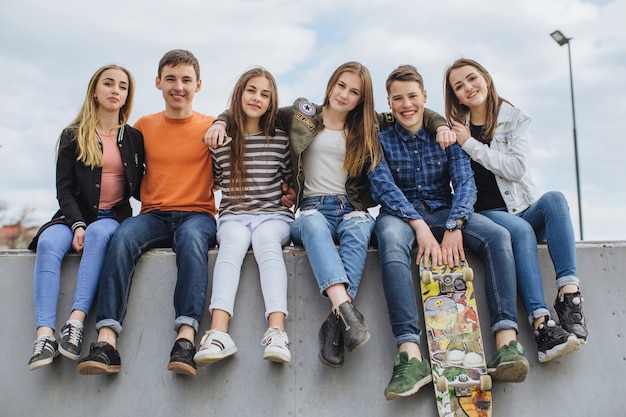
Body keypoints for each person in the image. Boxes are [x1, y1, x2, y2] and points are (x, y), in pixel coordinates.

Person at [205, 62, 451, 369]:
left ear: (362, 99)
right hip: (311, 208)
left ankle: (336, 322)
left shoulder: (370, 124)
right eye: (341, 86)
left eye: (354, 92)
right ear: (331, 85)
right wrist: (220, 121)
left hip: (352, 208)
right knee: (310, 223)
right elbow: (258, 110)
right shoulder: (302, 115)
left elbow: (416, 111)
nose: (344, 95)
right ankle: (346, 310)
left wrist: (440, 124)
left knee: (361, 228)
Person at [368, 65, 529, 400]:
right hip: (401, 215)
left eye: (412, 96)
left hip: (446, 209)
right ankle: (410, 357)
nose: (406, 104)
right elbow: (384, 188)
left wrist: (455, 224)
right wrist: (419, 225)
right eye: (398, 99)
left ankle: (507, 344)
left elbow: (465, 182)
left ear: (424, 97)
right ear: (389, 102)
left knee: (498, 237)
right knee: (391, 241)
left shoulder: (445, 135)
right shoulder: (379, 140)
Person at [76, 50, 217, 377]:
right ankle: (107, 340)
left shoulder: (212, 125)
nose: (178, 87)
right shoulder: (141, 127)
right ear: (158, 83)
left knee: (193, 243)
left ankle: (185, 338)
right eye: (170, 79)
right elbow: (120, 171)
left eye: (185, 80)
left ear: (198, 85)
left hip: (198, 214)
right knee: (122, 237)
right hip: (153, 214)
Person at [444, 58, 587, 359]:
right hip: (488, 214)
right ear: (455, 95)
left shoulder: (514, 117)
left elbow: (517, 169)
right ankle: (541, 324)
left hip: (521, 205)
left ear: (485, 77)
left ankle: (569, 296)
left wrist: (471, 144)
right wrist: (462, 139)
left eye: (472, 79)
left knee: (556, 200)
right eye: (459, 86)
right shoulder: (456, 130)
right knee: (520, 230)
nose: (468, 88)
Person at [27, 65, 144, 371]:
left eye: (122, 86)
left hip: (111, 217)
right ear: (95, 90)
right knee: (49, 243)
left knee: (98, 235)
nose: (115, 90)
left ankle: (75, 322)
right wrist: (77, 223)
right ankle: (44, 335)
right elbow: (63, 190)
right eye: (108, 84)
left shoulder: (133, 138)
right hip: (72, 216)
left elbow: (143, 185)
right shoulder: (73, 135)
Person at [193, 67, 294, 367]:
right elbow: (214, 181)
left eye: (265, 94)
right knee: (233, 244)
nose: (257, 98)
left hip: (274, 216)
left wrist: (291, 194)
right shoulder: (221, 139)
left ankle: (277, 332)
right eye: (251, 90)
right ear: (239, 93)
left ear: (272, 101)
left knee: (265, 242)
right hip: (234, 216)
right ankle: (218, 332)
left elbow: (289, 182)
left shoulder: (280, 139)